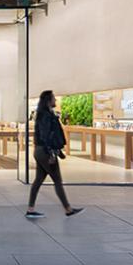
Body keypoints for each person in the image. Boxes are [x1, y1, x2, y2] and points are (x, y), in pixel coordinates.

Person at [26, 90, 83, 219]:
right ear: (48, 101)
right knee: (57, 180)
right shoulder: (45, 115)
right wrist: (52, 153)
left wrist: (58, 151)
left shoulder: (44, 114)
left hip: (40, 151)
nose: (55, 101)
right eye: (53, 99)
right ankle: (68, 209)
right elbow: (47, 136)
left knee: (38, 180)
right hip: (45, 152)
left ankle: (31, 209)